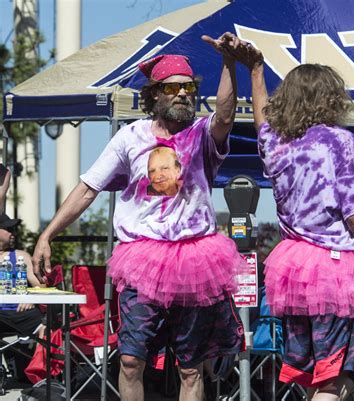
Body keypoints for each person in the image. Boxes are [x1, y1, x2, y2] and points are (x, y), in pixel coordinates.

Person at [32, 33, 246, 401]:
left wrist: (229, 62)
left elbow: (225, 114)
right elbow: (87, 188)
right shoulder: (130, 137)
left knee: (191, 367)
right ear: (155, 94)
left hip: (195, 260)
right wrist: (46, 235)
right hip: (142, 262)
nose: (182, 94)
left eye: (188, 88)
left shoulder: (201, 135)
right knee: (131, 360)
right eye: (172, 87)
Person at [229, 44, 354, 400]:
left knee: (309, 376)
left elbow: (262, 120)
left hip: (292, 269)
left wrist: (256, 71)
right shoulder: (339, 142)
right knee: (335, 378)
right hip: (335, 270)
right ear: (330, 99)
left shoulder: (275, 143)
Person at [0, 213, 45, 339]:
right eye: (9, 229)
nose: (13, 233)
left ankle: (41, 359)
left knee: (47, 326)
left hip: (21, 313)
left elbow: (41, 286)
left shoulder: (22, 256)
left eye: (14, 229)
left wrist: (31, 298)